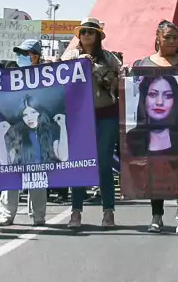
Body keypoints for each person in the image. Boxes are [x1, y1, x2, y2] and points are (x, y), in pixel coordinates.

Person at [132, 19, 178, 233]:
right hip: (151, 131)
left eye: (176, 37)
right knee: (155, 173)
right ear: (158, 38)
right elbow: (134, 98)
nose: (172, 41)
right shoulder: (143, 64)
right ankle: (157, 215)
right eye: (168, 37)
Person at [61, 17, 121, 229]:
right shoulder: (69, 55)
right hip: (79, 116)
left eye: (90, 31)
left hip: (106, 113)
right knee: (79, 163)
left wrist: (100, 70)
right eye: (83, 31)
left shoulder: (109, 57)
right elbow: (58, 80)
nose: (86, 35)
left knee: (104, 164)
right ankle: (76, 212)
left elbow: (120, 80)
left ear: (97, 36)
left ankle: (108, 212)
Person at [0, 39, 52, 226]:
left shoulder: (47, 77)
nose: (23, 57)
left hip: (37, 133)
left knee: (37, 173)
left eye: (27, 54)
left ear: (37, 56)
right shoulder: (8, 76)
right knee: (12, 171)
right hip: (16, 133)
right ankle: (6, 215)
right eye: (20, 53)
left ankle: (38, 215)